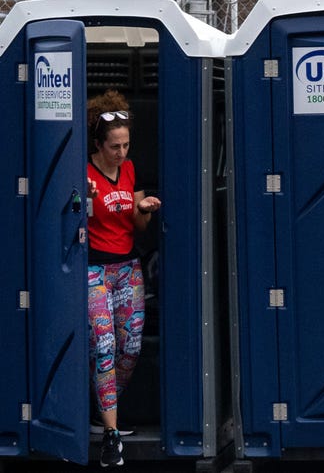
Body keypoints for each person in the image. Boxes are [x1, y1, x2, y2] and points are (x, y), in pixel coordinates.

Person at [85, 90, 162, 468]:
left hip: (127, 267)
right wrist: (82, 200)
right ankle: (111, 436)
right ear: (98, 144)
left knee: (129, 348)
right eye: (114, 146)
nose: (121, 153)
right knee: (103, 346)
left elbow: (139, 223)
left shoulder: (130, 171)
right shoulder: (83, 173)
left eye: (126, 145)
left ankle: (102, 411)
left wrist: (144, 208)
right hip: (94, 270)